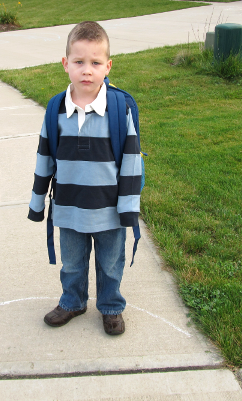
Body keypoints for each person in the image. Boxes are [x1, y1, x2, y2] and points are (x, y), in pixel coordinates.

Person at [28, 21, 142, 335]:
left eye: (95, 63)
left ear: (108, 66)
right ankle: (73, 301)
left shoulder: (119, 109)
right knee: (72, 263)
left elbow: (132, 162)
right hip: (69, 208)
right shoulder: (55, 109)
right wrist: (37, 204)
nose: (87, 71)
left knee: (110, 263)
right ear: (66, 64)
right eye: (79, 62)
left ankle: (111, 307)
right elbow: (44, 158)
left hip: (109, 211)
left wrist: (128, 209)